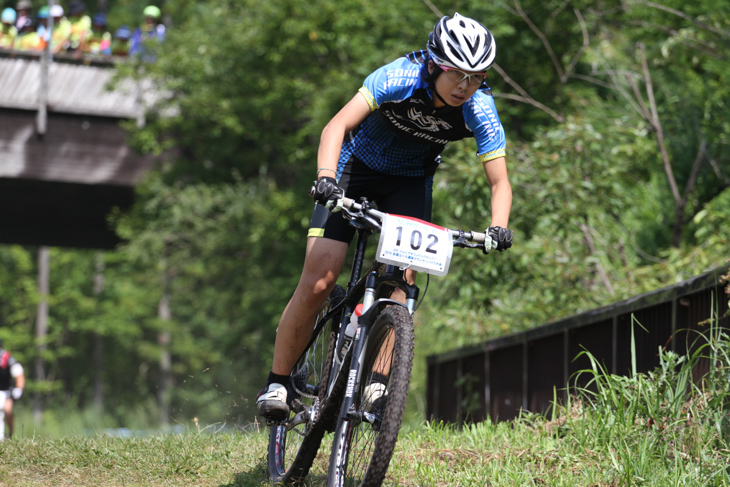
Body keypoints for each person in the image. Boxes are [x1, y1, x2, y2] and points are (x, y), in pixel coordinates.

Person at [256, 13, 514, 420]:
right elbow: (336, 126)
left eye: (476, 76)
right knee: (321, 278)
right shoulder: (399, 77)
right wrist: (326, 179)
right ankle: (278, 381)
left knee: (401, 283)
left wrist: (498, 227)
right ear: (434, 64)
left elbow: (500, 182)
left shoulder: (479, 108)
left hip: (409, 183)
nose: (466, 86)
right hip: (353, 170)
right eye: (457, 75)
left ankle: (377, 383)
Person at [0, 339, 25, 440]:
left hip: (7, 391)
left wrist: (19, 389)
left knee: (8, 411)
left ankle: (10, 434)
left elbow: (19, 374)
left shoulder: (8, 359)